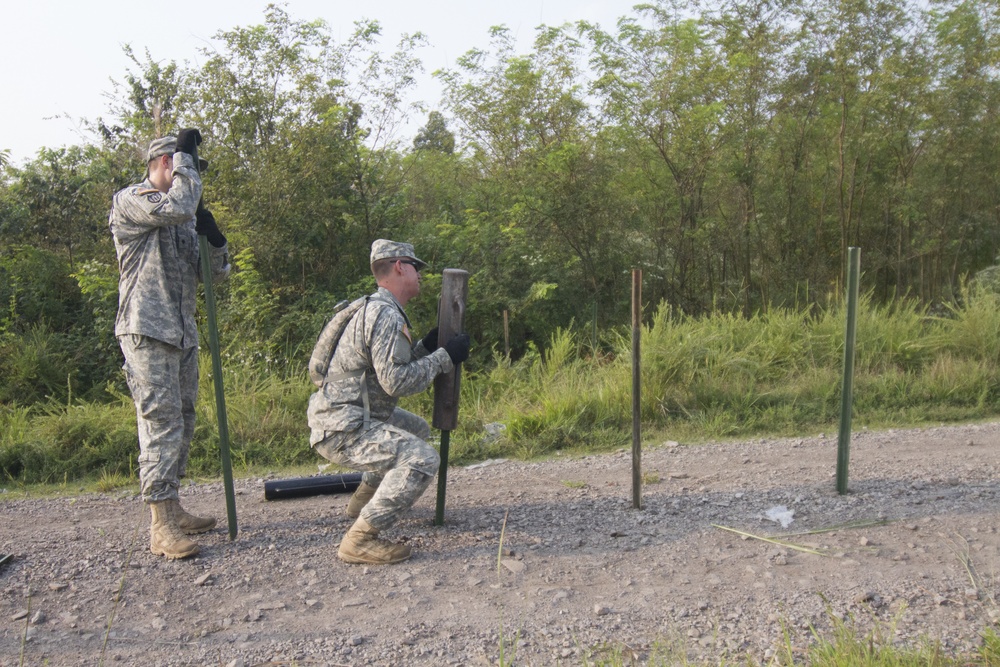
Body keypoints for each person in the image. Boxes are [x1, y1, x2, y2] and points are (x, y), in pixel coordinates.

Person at [109, 129, 231, 560]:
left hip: (181, 334)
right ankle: (160, 526)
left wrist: (215, 242)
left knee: (182, 420)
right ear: (166, 163)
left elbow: (213, 277)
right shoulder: (133, 200)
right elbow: (178, 204)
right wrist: (186, 165)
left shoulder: (178, 219)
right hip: (147, 331)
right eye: (186, 168)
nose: (192, 178)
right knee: (161, 423)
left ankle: (174, 509)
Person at [308, 239, 470, 564]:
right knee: (422, 458)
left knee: (417, 429)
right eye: (415, 267)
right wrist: (444, 358)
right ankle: (360, 540)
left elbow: (386, 366)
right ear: (399, 267)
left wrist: (426, 346)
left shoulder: (377, 307)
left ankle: (361, 504)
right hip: (345, 427)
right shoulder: (386, 315)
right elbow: (397, 382)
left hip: (347, 416)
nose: (420, 274)